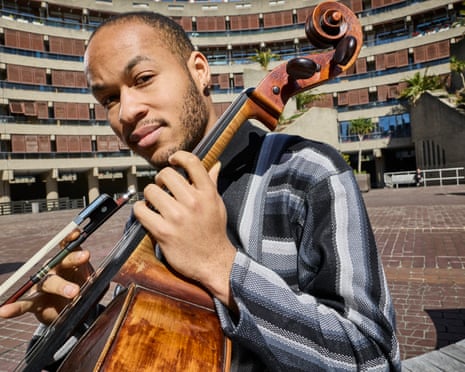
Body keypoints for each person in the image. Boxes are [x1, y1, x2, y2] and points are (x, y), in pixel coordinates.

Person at [0, 12, 401, 371]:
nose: (125, 112)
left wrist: (221, 266)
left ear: (199, 71)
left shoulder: (305, 175)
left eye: (142, 79)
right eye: (108, 99)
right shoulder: (152, 211)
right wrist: (81, 316)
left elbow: (374, 358)